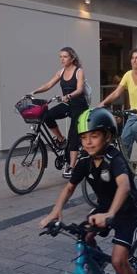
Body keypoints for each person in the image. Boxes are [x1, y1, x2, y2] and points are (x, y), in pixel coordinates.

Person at [39, 108, 137, 274]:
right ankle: (96, 262)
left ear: (108, 136)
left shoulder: (115, 159)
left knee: (118, 260)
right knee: (83, 235)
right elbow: (69, 187)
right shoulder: (85, 160)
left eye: (94, 136)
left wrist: (111, 213)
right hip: (104, 208)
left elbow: (124, 186)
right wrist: (56, 211)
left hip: (128, 214)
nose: (88, 142)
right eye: (84, 137)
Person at [98, 48, 137, 169]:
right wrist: (103, 103)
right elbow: (117, 93)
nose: (134, 60)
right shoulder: (128, 75)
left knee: (136, 128)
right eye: (132, 58)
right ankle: (125, 169)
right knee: (124, 139)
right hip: (135, 113)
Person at [31, 47, 89, 178]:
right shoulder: (61, 71)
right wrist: (34, 92)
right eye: (60, 57)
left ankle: (71, 166)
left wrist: (69, 96)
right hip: (67, 104)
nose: (62, 59)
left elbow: (80, 89)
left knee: (73, 134)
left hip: (79, 106)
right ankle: (61, 139)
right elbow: (49, 84)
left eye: (65, 57)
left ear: (72, 58)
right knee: (46, 115)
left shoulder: (79, 71)